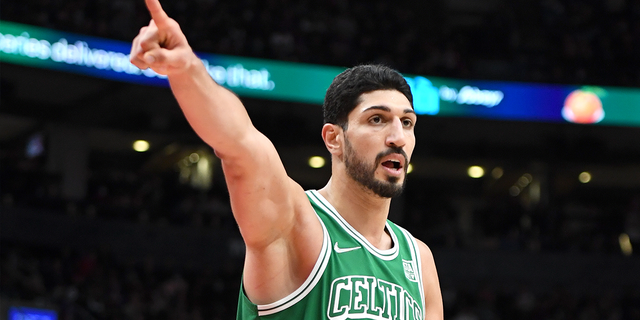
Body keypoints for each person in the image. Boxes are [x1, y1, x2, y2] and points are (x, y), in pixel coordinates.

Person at [130, 0, 443, 318]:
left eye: (407, 123)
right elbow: (241, 145)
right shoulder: (296, 223)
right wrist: (187, 70)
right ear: (334, 138)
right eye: (377, 119)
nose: (398, 138)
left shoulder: (419, 260)